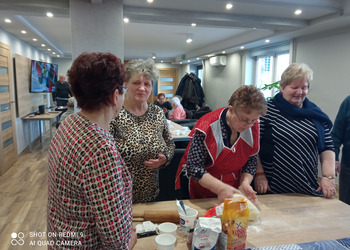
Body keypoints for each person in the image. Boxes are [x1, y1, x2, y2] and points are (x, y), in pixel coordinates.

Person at [47, 52, 137, 249]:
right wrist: (128, 240)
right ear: (115, 96)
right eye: (123, 89)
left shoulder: (70, 123)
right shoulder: (99, 148)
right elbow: (115, 239)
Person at [254, 63, 336, 198]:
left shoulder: (315, 113)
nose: (299, 92)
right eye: (294, 87)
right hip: (271, 186)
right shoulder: (266, 111)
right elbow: (252, 147)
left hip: (307, 185)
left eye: (304, 87)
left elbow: (327, 147)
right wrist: (259, 174)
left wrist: (328, 177)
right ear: (282, 87)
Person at [175, 85, 267, 204]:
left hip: (232, 185)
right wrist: (220, 188)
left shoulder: (254, 126)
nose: (248, 125)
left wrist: (245, 182)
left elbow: (251, 159)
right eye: (244, 120)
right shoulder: (206, 126)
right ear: (231, 109)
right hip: (203, 189)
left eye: (253, 120)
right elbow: (193, 167)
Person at [110, 58, 175, 203]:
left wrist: (165, 159)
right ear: (125, 84)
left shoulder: (157, 113)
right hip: (119, 196)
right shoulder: (114, 114)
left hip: (151, 193)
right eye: (136, 83)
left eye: (147, 84)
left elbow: (170, 145)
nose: (142, 88)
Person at [331, 95, 350, 205]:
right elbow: (336, 134)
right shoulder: (348, 102)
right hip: (348, 168)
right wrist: (334, 158)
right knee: (346, 210)